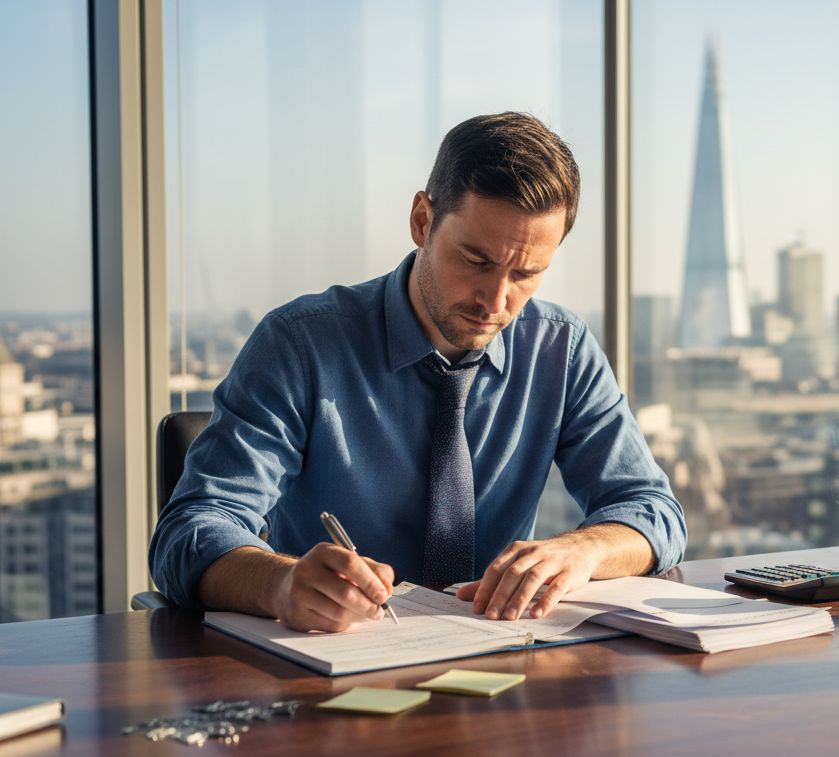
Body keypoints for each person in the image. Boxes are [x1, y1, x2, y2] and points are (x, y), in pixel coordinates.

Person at [149, 112, 686, 632]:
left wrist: (583, 550)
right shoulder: (300, 344)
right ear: (422, 221)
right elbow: (190, 530)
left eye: (526, 274)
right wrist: (282, 585)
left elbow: (654, 510)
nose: (495, 301)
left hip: (497, 664)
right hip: (332, 676)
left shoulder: (560, 348)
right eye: (476, 261)